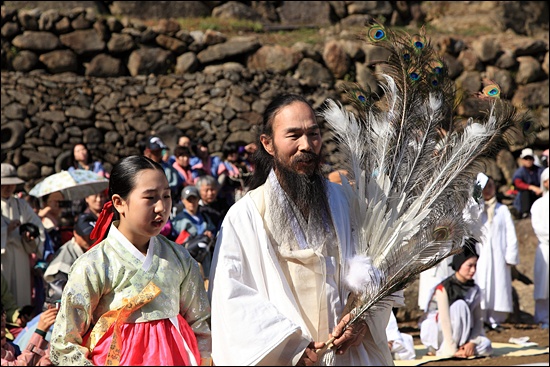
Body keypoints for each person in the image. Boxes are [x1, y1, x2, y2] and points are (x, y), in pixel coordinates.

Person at [208, 94, 401, 365]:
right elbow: (230, 297)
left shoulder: (346, 202)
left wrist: (363, 319)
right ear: (268, 144)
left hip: (347, 354)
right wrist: (290, 347)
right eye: (293, 135)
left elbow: (381, 265)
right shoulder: (244, 216)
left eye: (313, 134)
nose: (306, 145)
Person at [49, 155, 211, 366]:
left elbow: (200, 324)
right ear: (119, 203)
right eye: (150, 197)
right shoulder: (93, 265)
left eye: (166, 196)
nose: (161, 207)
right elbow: (64, 343)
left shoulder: (180, 259)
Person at [419, 245, 492, 358]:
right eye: (469, 266)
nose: (473, 270)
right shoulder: (444, 287)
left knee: (486, 345)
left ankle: (464, 348)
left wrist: (472, 342)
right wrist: (451, 346)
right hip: (441, 334)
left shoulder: (475, 289)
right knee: (459, 306)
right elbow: (444, 320)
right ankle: (451, 350)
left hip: (464, 334)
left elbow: (478, 320)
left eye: (475, 265)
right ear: (459, 265)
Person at [474, 175, 519, 331]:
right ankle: (480, 318)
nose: (488, 190)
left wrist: (510, 256)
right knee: (481, 284)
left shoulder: (502, 210)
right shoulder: (476, 210)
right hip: (481, 256)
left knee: (498, 286)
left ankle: (494, 319)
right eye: (485, 187)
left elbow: (510, 234)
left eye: (491, 186)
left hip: (499, 256)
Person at [1, 164, 46, 309]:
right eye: (4, 185)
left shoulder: (22, 205)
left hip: (21, 255)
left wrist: (29, 236)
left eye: (11, 184)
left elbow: (38, 227)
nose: (8, 188)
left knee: (22, 301)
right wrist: (6, 230)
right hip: (3, 256)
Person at [42, 213, 96, 303]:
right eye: (85, 235)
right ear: (75, 233)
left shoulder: (93, 250)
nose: (89, 238)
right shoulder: (64, 258)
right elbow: (60, 293)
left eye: (92, 234)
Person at [172, 186, 217, 279]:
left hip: (206, 257)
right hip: (188, 258)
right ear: (183, 200)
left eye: (194, 199)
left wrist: (209, 234)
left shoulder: (205, 216)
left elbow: (213, 231)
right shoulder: (179, 219)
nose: (192, 202)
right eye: (189, 199)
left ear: (198, 200)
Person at [142, 136, 184, 207]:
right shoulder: (141, 167)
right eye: (155, 152)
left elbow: (179, 183)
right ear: (147, 151)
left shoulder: (168, 168)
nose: (158, 154)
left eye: (160, 151)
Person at [530, 167, 549, 329]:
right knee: (543, 285)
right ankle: (543, 318)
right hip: (545, 249)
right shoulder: (538, 205)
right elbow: (539, 229)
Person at [512, 148, 544, 219]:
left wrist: (542, 189)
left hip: (539, 194)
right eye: (526, 158)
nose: (528, 161)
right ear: (522, 160)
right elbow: (518, 183)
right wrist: (532, 187)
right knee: (525, 192)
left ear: (533, 159)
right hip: (524, 199)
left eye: (530, 158)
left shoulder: (540, 170)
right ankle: (525, 213)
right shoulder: (520, 172)